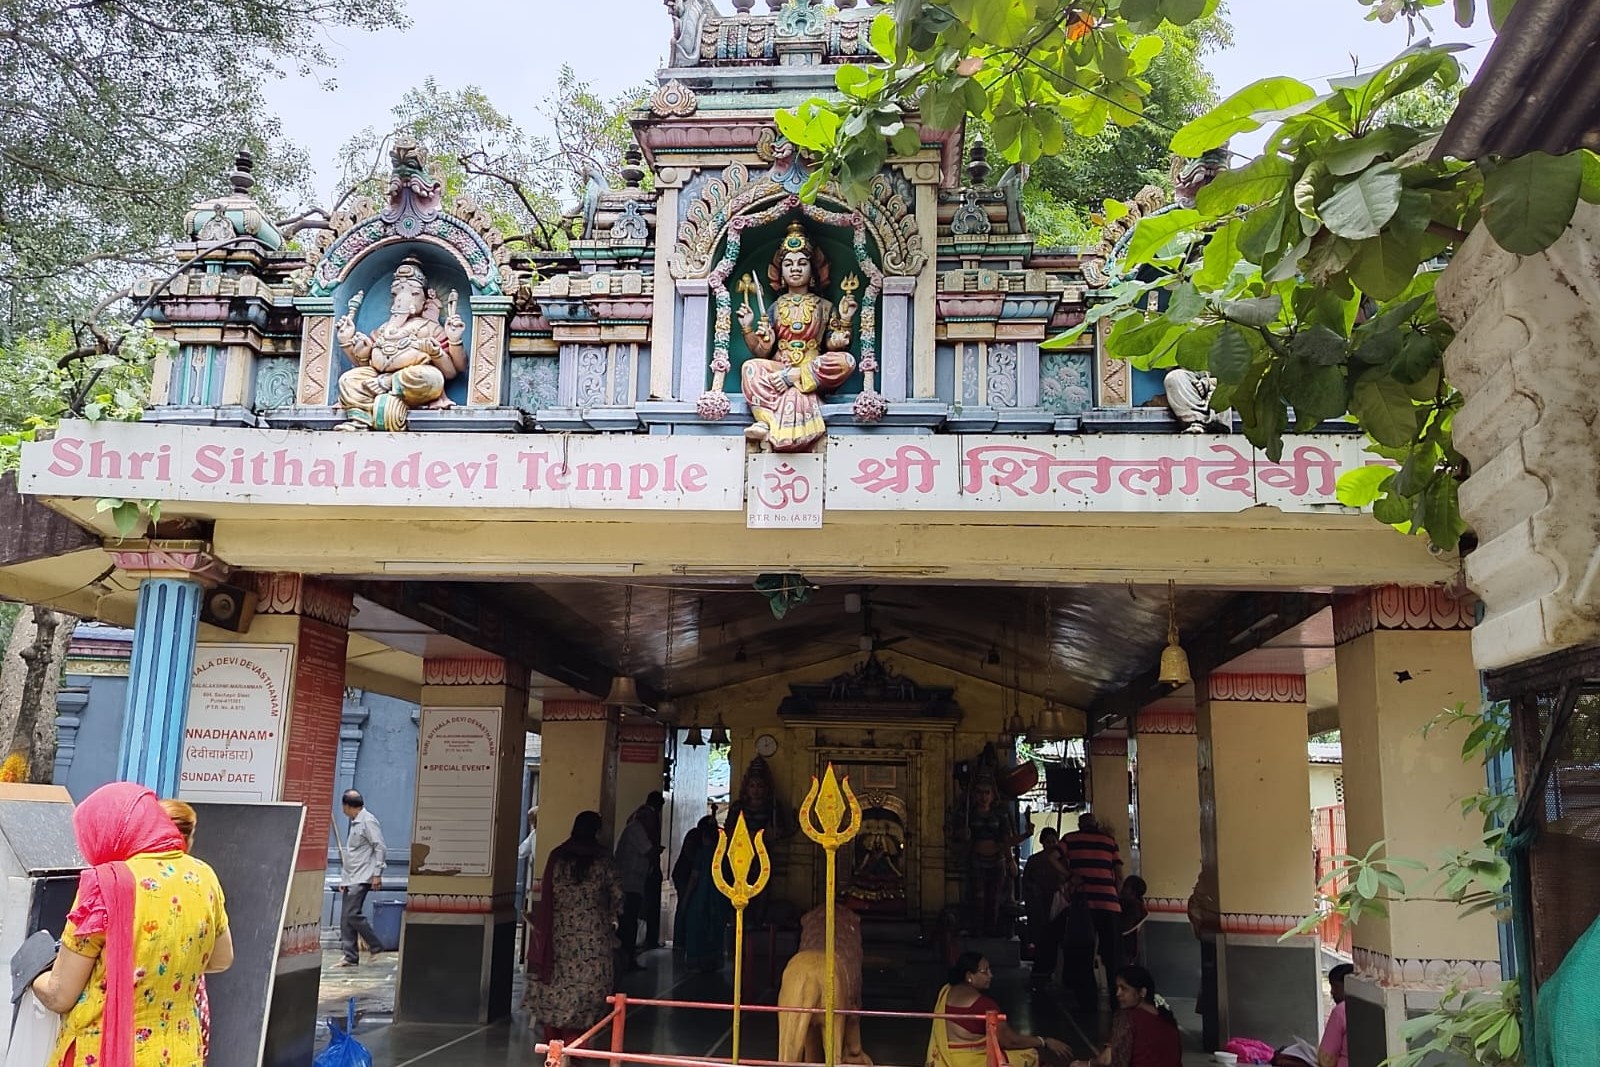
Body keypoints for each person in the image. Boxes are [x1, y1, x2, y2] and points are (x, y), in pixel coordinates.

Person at [32, 782, 233, 1067]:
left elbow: (59, 994)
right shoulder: (203, 876)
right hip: (180, 1054)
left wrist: (31, 976)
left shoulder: (105, 884)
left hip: (104, 1055)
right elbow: (222, 959)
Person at [736, 220, 859, 451]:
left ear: (812, 270)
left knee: (848, 362)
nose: (795, 268)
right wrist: (747, 328)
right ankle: (766, 421)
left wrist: (846, 320)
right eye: (789, 264)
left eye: (802, 263)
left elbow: (834, 344)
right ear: (780, 272)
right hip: (779, 369)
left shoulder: (824, 306)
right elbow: (762, 350)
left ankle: (796, 378)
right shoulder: (775, 307)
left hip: (811, 367)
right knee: (750, 368)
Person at [528, 810, 624, 1043]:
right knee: (590, 989)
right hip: (594, 938)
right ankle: (577, 1043)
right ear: (597, 832)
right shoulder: (604, 860)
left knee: (557, 986)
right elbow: (618, 896)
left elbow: (547, 894)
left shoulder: (557, 857)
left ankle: (555, 1043)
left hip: (559, 936)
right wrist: (612, 916)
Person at [927, 951, 1070, 1067]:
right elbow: (1010, 1041)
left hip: (944, 1061)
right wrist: (1044, 1041)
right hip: (972, 1062)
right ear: (969, 976)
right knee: (1032, 1054)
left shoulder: (945, 991)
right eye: (985, 971)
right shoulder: (984, 1005)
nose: (991, 975)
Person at [159, 799, 212, 1064]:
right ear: (188, 838)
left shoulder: (119, 876)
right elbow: (222, 958)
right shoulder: (203, 876)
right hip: (183, 1023)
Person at [1059, 813, 1124, 1005]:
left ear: (1080, 825)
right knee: (1112, 956)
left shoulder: (1070, 839)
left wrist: (1070, 876)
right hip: (1109, 904)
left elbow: (1053, 858)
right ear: (1096, 824)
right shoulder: (1110, 842)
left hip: (1084, 903)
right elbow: (1119, 875)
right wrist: (1115, 894)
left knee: (1083, 952)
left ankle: (1087, 1001)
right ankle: (1117, 1000)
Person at [1069, 965, 1183, 1067]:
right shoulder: (1167, 1017)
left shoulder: (1128, 1017)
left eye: (1124, 988)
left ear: (1142, 992)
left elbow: (1108, 1059)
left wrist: (1086, 1064)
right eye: (1117, 988)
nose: (1118, 993)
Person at [615, 791, 665, 972]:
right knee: (628, 922)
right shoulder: (637, 828)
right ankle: (625, 959)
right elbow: (648, 850)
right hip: (628, 883)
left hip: (634, 882)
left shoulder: (639, 825)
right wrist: (656, 851)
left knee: (631, 921)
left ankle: (627, 958)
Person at [337, 789, 387, 968]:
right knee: (345, 918)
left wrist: (377, 874)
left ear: (348, 806)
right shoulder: (355, 823)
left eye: (343, 806)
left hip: (363, 877)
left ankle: (376, 946)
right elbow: (352, 855)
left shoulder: (368, 821)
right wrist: (344, 880)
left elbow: (379, 846)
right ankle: (350, 956)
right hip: (351, 877)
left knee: (352, 914)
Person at [681, 815, 730, 972]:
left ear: (703, 836)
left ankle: (696, 961)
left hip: (700, 898)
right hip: (719, 898)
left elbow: (694, 878)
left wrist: (685, 900)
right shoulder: (723, 855)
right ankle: (713, 961)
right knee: (715, 929)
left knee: (696, 928)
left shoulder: (702, 853)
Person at [1021, 827, 1067, 986]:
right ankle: (1041, 968)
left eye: (1054, 841)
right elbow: (1026, 882)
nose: (1051, 845)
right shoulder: (1034, 860)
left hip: (1057, 901)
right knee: (1040, 935)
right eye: (1048, 842)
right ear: (1042, 843)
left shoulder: (1063, 861)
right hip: (1037, 902)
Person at [671, 816, 711, 950]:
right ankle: (679, 940)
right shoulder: (694, 836)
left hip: (688, 874)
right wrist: (700, 863)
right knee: (684, 904)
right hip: (684, 875)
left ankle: (684, 939)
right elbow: (690, 854)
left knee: (687, 905)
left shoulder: (696, 835)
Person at [1318, 964, 1353, 1067]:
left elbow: (1326, 1060)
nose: (1332, 992)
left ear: (1347, 986)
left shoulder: (1340, 1011)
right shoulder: (1370, 1008)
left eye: (1335, 986)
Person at [1119, 876, 1149, 966]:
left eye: (1125, 886)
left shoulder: (1132, 907)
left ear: (1133, 892)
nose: (1121, 888)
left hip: (1124, 949)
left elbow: (1124, 927)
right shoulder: (1136, 906)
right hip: (1128, 949)